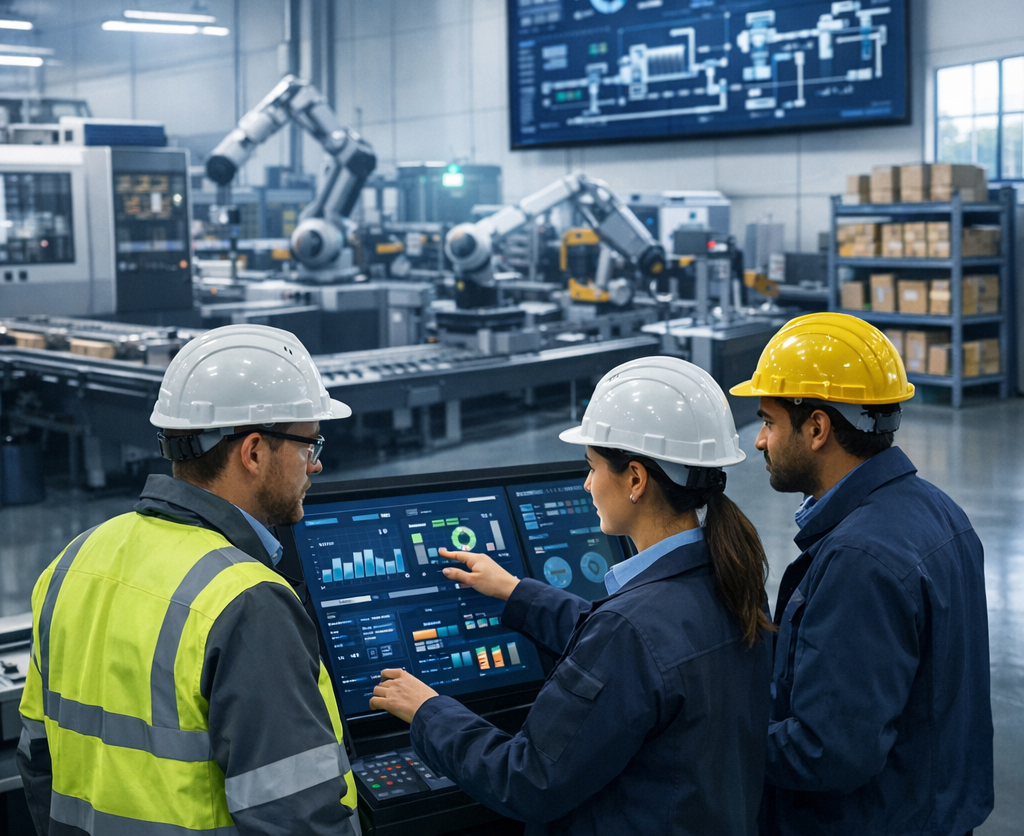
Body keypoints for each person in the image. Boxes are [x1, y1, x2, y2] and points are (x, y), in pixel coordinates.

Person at [369, 356, 774, 835]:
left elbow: (525, 779)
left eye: (592, 467)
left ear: (636, 479)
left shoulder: (629, 630)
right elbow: (644, 656)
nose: (586, 484)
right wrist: (516, 592)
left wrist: (428, 711)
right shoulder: (733, 580)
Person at [17, 323, 362, 836]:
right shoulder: (247, 602)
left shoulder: (72, 562)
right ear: (253, 452)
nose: (314, 466)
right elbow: (298, 819)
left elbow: (37, 759)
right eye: (309, 445)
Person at [729, 312, 993, 836]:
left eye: (769, 422)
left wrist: (711, 738)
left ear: (817, 428)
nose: (759, 441)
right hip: (927, 808)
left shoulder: (860, 558)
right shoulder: (938, 510)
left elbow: (828, 751)